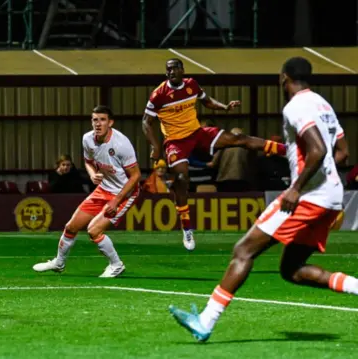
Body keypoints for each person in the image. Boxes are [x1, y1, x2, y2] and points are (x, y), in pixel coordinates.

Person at [169, 57, 352, 342]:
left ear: (284, 78)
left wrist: (297, 188)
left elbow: (316, 150)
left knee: (243, 250)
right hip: (330, 196)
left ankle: (205, 321)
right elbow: (342, 152)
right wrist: (325, 180)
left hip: (307, 196)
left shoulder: (296, 106)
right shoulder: (323, 105)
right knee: (291, 270)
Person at [142, 58, 286, 250]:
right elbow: (145, 122)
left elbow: (207, 101)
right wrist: (155, 146)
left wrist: (224, 106)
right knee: (182, 177)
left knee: (238, 138)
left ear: (182, 70)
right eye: (168, 70)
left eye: (175, 68)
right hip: (176, 141)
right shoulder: (158, 94)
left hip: (197, 133)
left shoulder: (191, 85)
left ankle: (287, 150)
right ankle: (186, 228)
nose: (171, 72)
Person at [33, 105, 141, 278]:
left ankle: (116, 265)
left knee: (94, 230)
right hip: (103, 188)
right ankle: (59, 263)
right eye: (95, 120)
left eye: (102, 120)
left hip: (124, 193)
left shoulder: (121, 144)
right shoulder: (88, 139)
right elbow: (88, 162)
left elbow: (136, 176)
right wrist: (92, 175)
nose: (98, 124)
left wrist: (116, 200)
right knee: (71, 226)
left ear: (110, 122)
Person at [208, 128, 257, 192]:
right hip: (243, 179)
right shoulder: (247, 147)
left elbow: (213, 163)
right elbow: (252, 164)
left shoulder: (223, 145)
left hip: (224, 179)